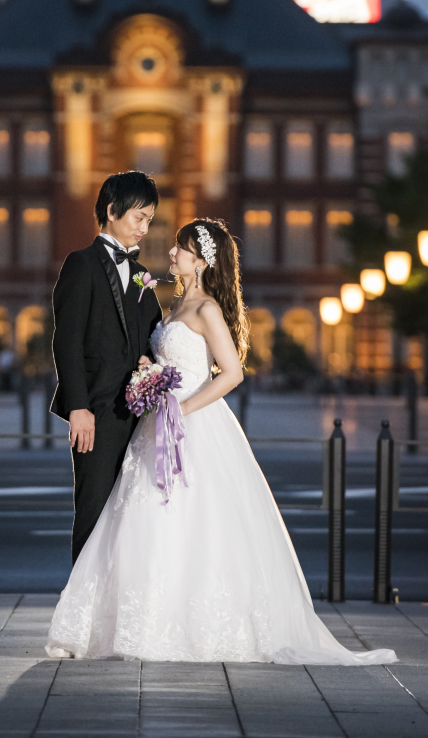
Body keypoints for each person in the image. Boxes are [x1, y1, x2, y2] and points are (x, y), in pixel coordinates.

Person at [46, 217, 397, 665]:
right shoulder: (174, 304)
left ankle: (192, 627)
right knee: (142, 520)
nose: (171, 253)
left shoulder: (207, 309)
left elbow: (231, 373)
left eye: (180, 248)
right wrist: (148, 372)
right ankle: (139, 625)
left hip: (192, 424)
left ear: (200, 261)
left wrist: (183, 409)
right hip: (157, 424)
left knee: (192, 522)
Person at [51, 170, 163, 563]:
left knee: (129, 518)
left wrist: (152, 361)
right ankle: (83, 600)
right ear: (112, 211)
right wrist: (78, 408)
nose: (144, 229)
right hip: (96, 411)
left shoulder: (141, 275)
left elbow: (154, 334)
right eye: (139, 217)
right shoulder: (80, 264)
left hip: (138, 414)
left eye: (150, 220)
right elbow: (66, 340)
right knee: (94, 510)